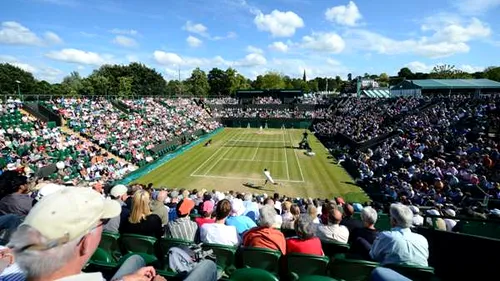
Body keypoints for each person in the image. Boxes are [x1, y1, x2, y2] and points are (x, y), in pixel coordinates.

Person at [6, 188, 218, 281]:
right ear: (84, 242)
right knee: (208, 266)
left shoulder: (9, 268)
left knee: (135, 259)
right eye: (101, 223)